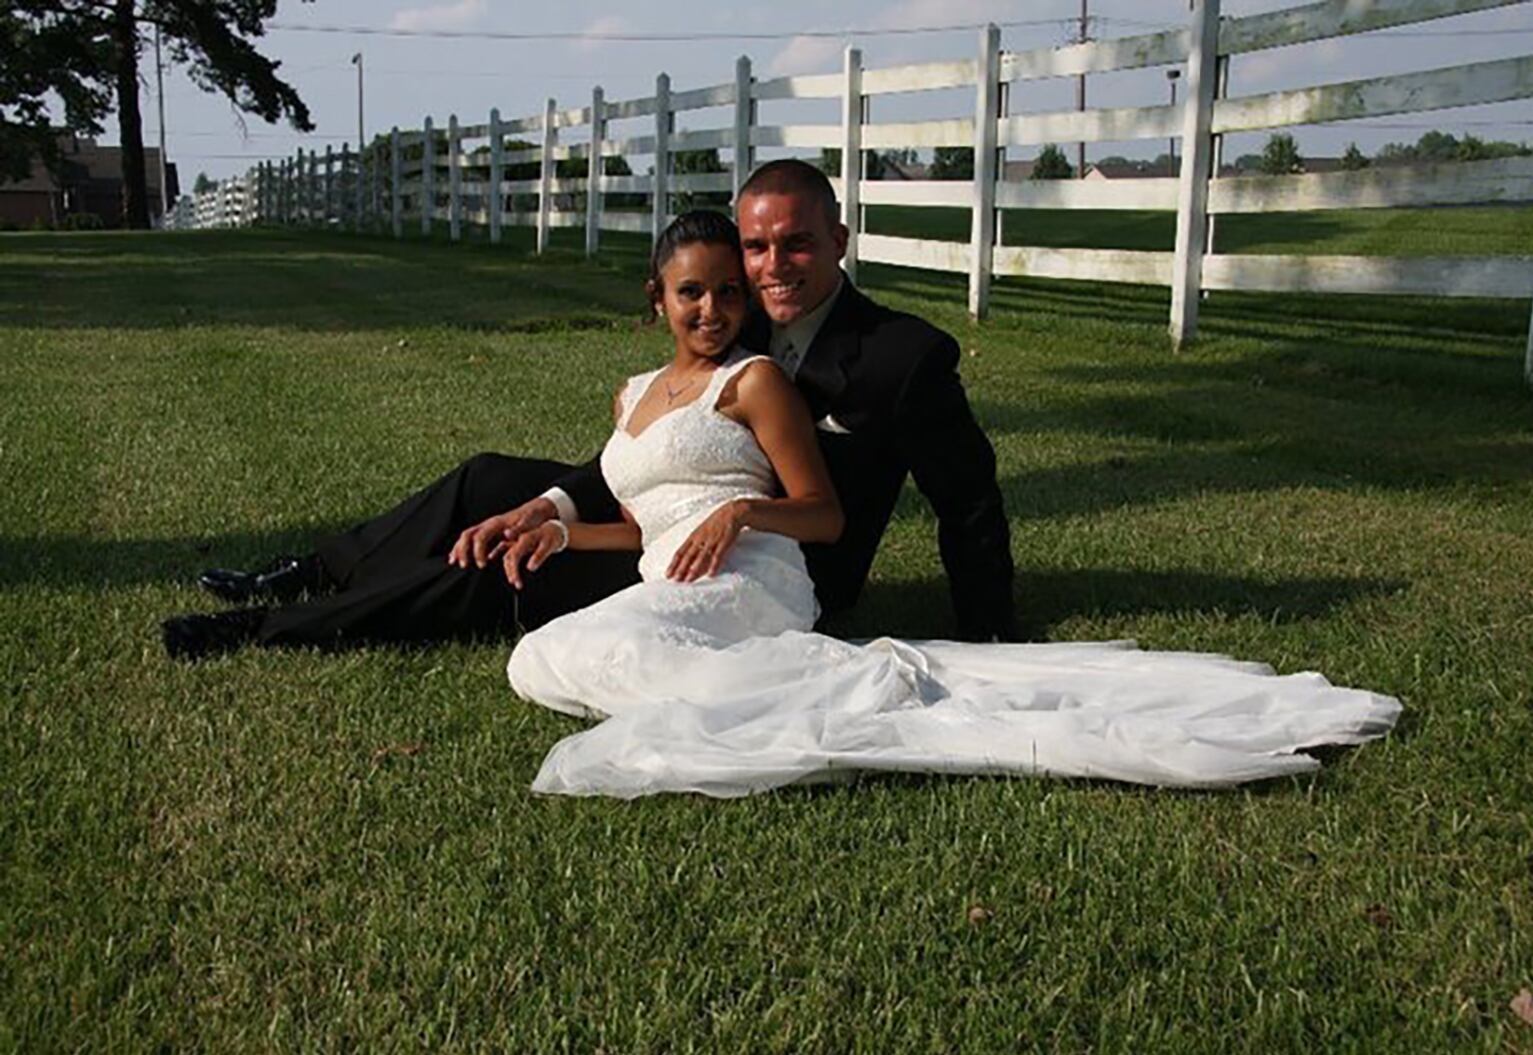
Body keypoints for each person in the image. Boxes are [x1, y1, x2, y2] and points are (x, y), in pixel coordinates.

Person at [505, 210, 1401, 798]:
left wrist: (745, 516)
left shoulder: (790, 370)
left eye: (728, 290)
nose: (717, 305)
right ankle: (803, 682)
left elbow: (910, 502)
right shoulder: (634, 393)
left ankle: (847, 682)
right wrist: (566, 527)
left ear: (835, 241)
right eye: (695, 291)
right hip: (671, 577)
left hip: (757, 571)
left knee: (597, 650)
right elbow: (650, 515)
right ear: (655, 298)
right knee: (544, 659)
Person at [162, 158, 1014, 660]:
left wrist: (987, 637)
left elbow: (968, 499)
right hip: (669, 514)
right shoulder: (736, 312)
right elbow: (657, 453)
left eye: (794, 242)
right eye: (756, 247)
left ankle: (276, 627)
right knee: (489, 481)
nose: (772, 265)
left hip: (757, 568)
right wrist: (553, 501)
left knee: (506, 566)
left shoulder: (906, 356)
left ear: (838, 239)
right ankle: (314, 569)